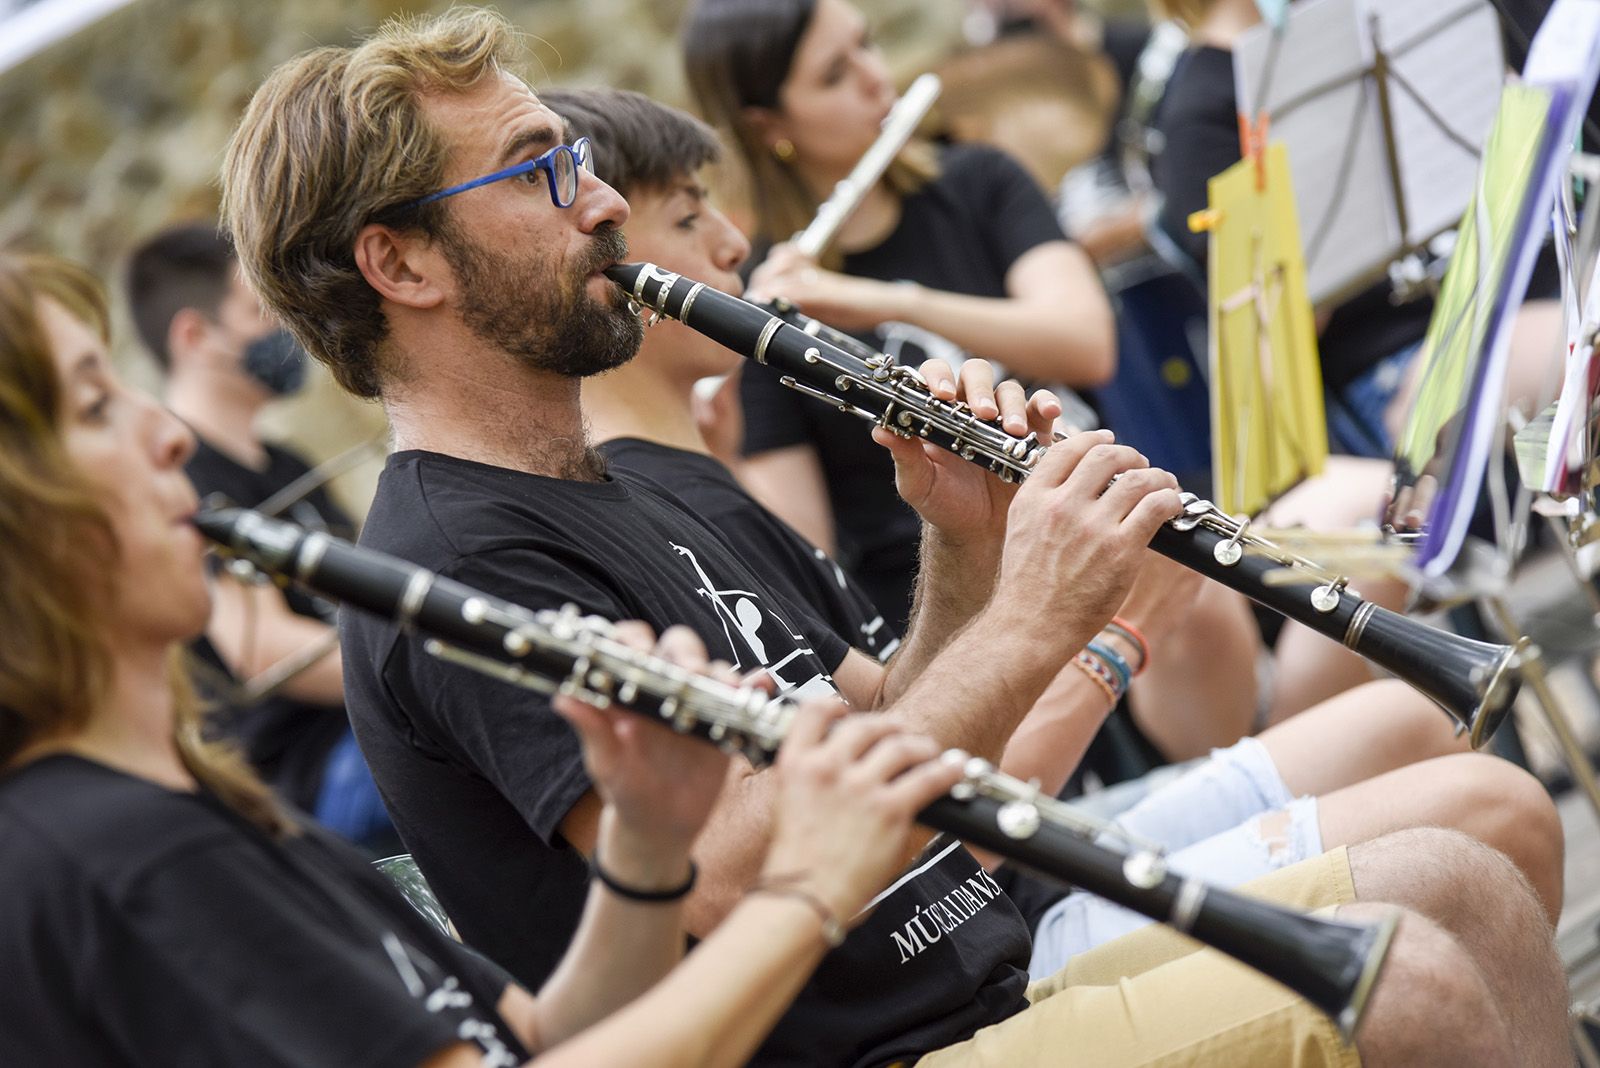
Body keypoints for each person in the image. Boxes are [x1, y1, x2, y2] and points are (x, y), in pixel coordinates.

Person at [221, 10, 1571, 1064]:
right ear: (402, 265)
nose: (602, 202)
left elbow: (883, 710)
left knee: (1468, 877)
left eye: (575, 160)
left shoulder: (623, 476)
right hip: (891, 1042)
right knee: (1423, 967)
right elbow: (740, 862)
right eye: (539, 173)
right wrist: (1063, 622)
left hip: (985, 946)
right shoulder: (454, 566)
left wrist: (965, 546)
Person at [548, 81, 1565, 971]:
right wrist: (1114, 634)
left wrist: (971, 539)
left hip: (1014, 855)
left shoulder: (702, 482)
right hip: (983, 915)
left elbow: (904, 706)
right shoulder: (658, 504)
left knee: (1411, 718)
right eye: (688, 220)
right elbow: (924, 819)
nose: (733, 242)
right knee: (1485, 814)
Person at [0, 249, 977, 1067]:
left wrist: (644, 843)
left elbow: (542, 1040)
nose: (166, 436)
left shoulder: (201, 814)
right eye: (93, 409)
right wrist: (809, 891)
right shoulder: (127, 860)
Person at [684, 0, 1118, 633]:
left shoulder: (978, 180)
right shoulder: (763, 312)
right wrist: (718, 454)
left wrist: (893, 299)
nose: (874, 78)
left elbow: (1086, 343)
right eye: (834, 74)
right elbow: (810, 553)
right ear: (766, 123)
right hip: (942, 607)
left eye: (867, 44)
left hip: (1083, 517)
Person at [125, 222, 396, 851]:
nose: (284, 327)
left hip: (370, 726)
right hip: (315, 774)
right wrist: (424, 663)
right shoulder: (181, 481)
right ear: (194, 336)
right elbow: (267, 651)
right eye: (258, 311)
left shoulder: (287, 463)